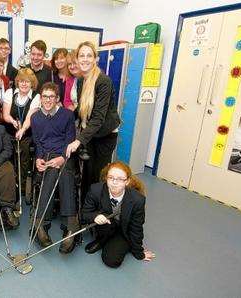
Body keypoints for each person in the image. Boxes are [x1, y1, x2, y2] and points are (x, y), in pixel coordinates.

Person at [66, 41, 121, 197]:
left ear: (95, 59)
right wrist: (63, 119)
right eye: (81, 55)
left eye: (89, 55)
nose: (85, 59)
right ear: (77, 59)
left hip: (105, 134)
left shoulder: (104, 82)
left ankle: (96, 212)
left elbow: (98, 118)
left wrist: (78, 140)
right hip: (90, 132)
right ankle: (85, 209)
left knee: (98, 176)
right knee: (87, 174)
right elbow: (81, 108)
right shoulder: (81, 80)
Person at [30, 82, 78, 254]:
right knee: (50, 173)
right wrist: (38, 159)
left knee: (64, 174)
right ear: (40, 99)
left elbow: (70, 140)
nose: (48, 100)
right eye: (45, 97)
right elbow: (37, 143)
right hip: (47, 156)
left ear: (57, 99)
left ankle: (70, 226)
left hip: (65, 154)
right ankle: (41, 223)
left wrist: (62, 158)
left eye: (52, 96)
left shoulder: (67, 115)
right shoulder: (35, 118)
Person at [81, 161, 155, 268]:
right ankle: (101, 241)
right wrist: (95, 216)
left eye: (120, 179)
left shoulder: (138, 200)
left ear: (127, 181)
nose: (114, 182)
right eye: (111, 177)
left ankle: (118, 243)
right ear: (106, 178)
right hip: (104, 227)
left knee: (112, 261)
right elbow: (84, 214)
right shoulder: (95, 190)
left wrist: (139, 252)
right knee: (105, 223)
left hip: (123, 230)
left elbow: (136, 227)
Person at [2, 68, 40, 197]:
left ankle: (23, 187)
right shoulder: (10, 92)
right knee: (9, 159)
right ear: (18, 82)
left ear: (32, 83)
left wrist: (22, 130)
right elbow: (5, 114)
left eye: (27, 81)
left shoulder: (36, 96)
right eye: (22, 81)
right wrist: (13, 121)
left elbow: (30, 117)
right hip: (9, 132)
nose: (24, 84)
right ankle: (10, 185)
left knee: (24, 160)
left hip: (26, 134)